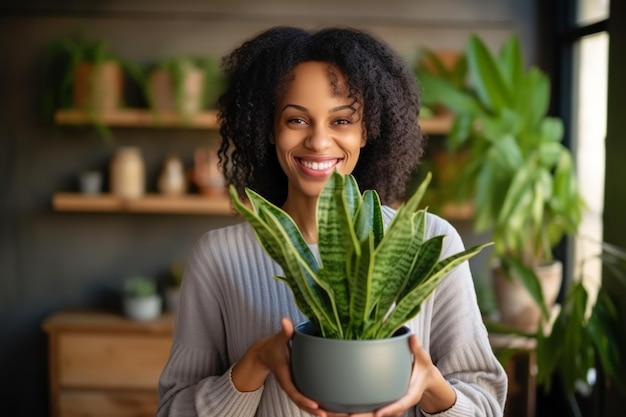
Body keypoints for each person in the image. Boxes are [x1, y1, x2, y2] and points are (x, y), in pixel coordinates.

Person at [157, 26, 507, 417]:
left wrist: (431, 387)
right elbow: (174, 410)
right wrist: (255, 363)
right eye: (296, 120)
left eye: (341, 121)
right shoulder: (219, 256)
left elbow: (486, 405)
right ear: (268, 130)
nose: (319, 142)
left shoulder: (429, 240)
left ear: (367, 130)